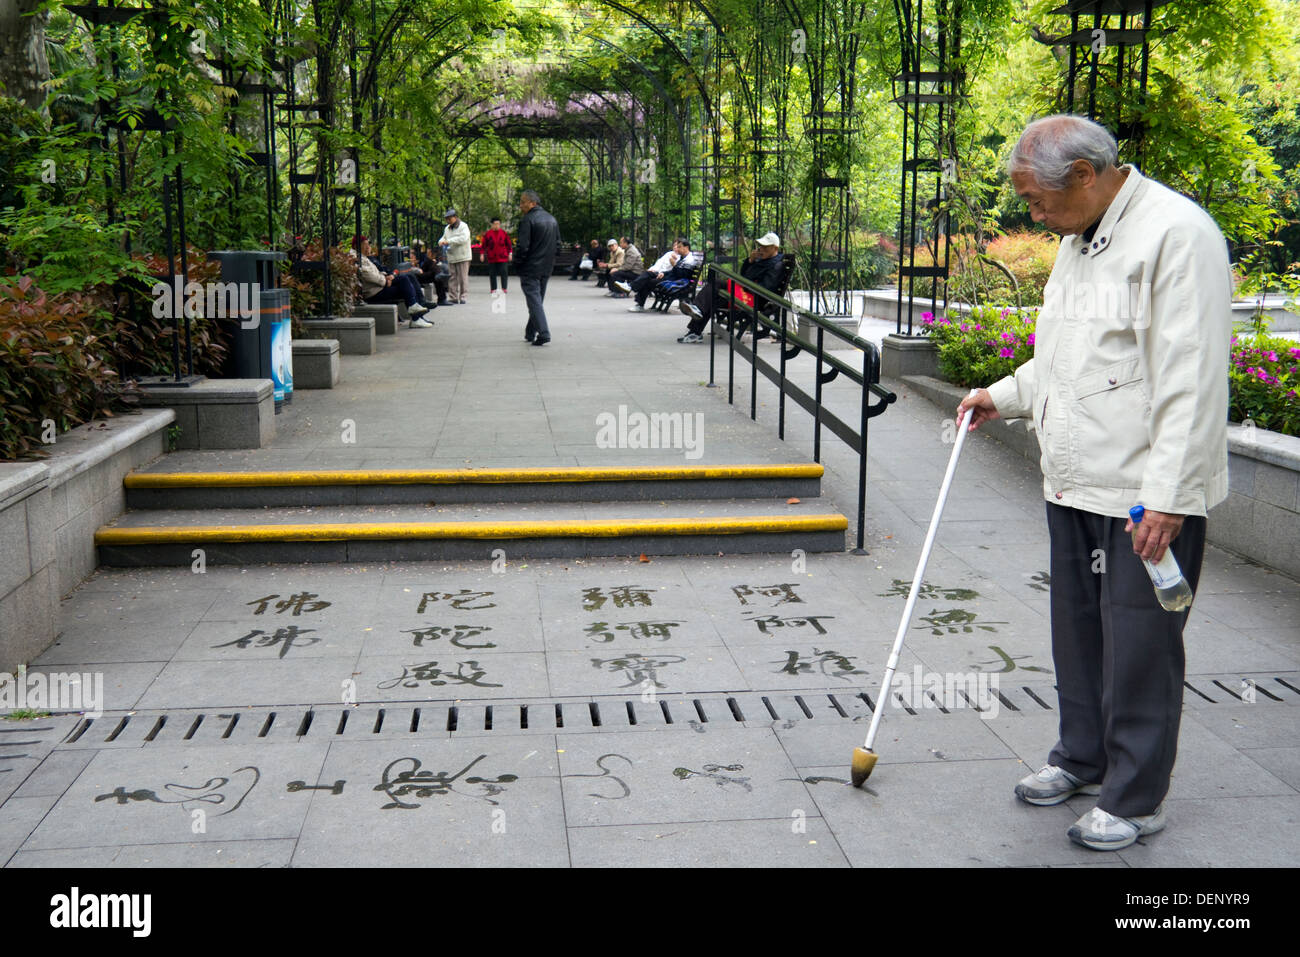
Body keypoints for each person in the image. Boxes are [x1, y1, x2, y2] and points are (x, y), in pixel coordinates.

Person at [955, 114, 1232, 852]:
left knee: (1141, 643)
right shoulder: (1083, 237)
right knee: (1077, 633)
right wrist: (1002, 393)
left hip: (1143, 493)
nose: (1032, 215)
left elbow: (1193, 377)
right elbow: (1067, 354)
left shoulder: (1178, 233)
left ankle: (1137, 797)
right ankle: (1081, 757)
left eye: (1038, 200)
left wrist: (1171, 495)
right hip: (1074, 481)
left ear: (1084, 175)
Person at [678, 232, 784, 342]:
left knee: (714, 293)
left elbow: (766, 288)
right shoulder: (763, 260)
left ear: (775, 248)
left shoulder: (776, 265)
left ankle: (696, 323)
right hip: (745, 290)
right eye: (761, 246)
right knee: (715, 286)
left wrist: (745, 285)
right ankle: (696, 316)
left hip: (753, 298)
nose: (761, 249)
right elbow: (744, 275)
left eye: (765, 247)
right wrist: (750, 261)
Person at [354, 236, 433, 326]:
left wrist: (388, 276)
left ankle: (417, 312)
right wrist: (385, 280)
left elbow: (381, 271)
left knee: (408, 279)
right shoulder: (358, 259)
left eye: (368, 244)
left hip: (379, 286)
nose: (368, 246)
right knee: (405, 284)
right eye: (365, 244)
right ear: (357, 246)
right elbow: (369, 275)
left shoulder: (364, 257)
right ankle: (416, 316)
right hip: (374, 292)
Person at [514, 189, 559, 346]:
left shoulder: (528, 220)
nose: (520, 206)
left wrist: (517, 263)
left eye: (523, 202)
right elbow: (558, 246)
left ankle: (544, 332)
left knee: (534, 301)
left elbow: (523, 247)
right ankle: (530, 332)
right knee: (537, 300)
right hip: (546, 268)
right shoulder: (552, 219)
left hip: (530, 268)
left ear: (532, 203)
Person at [617, 238, 697, 312]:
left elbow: (682, 276)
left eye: (679, 247)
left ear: (686, 248)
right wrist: (663, 273)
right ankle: (630, 286)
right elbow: (673, 272)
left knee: (648, 281)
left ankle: (638, 303)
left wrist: (674, 265)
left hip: (675, 282)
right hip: (670, 278)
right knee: (649, 273)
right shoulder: (682, 258)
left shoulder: (689, 260)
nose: (677, 249)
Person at [439, 208, 472, 304]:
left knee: (463, 277)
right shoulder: (447, 228)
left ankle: (463, 296)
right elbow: (444, 237)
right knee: (452, 277)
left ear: (455, 217)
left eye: (449, 218)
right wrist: (440, 241)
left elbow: (463, 238)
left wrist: (449, 241)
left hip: (463, 256)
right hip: (452, 256)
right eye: (447, 219)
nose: (448, 221)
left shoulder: (463, 226)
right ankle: (453, 296)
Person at [481, 217, 513, 294]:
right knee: (492, 273)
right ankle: (493, 288)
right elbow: (484, 245)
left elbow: (509, 244)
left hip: (503, 256)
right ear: (492, 225)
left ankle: (504, 287)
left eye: (498, 224)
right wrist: (482, 254)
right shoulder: (488, 234)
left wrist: (510, 253)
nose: (497, 226)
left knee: (504, 272)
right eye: (495, 224)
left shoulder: (503, 233)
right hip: (492, 257)